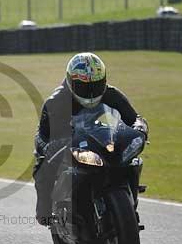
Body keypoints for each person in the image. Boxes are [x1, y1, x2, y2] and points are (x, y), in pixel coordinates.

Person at [33, 52, 148, 226]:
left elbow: (133, 117)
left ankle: (129, 203)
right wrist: (52, 146)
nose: (91, 93)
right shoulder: (55, 101)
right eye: (84, 87)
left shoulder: (111, 94)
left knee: (132, 160)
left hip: (92, 132)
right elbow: (43, 137)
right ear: (71, 83)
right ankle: (44, 211)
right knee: (44, 167)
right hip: (58, 137)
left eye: (96, 85)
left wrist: (139, 126)